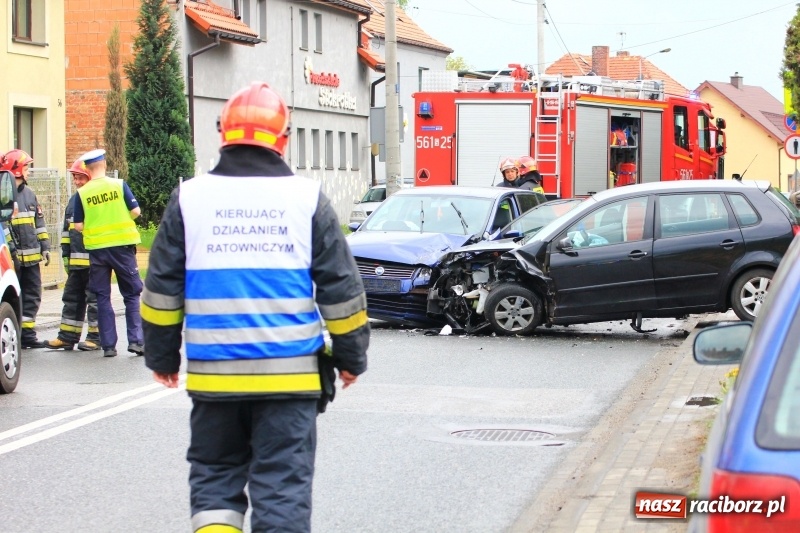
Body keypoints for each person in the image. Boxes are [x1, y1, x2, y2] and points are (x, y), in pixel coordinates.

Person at [141, 81, 369, 533]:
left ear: (222, 133)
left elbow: (162, 291)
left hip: (215, 379)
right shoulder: (307, 199)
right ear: (283, 138)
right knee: (281, 489)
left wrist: (162, 357)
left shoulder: (189, 198)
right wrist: (351, 358)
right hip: (290, 381)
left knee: (215, 480)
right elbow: (341, 292)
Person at [72, 149, 143, 358]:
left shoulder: (82, 193)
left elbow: (78, 225)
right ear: (104, 164)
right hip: (122, 248)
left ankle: (109, 346)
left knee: (102, 296)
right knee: (131, 295)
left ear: (87, 169)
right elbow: (136, 211)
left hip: (97, 250)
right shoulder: (118, 185)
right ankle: (136, 342)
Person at [43, 158, 101, 351]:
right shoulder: (74, 200)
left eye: (80, 177)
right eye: (75, 178)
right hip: (76, 264)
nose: (77, 182)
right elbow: (67, 232)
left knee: (95, 301)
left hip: (95, 262)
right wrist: (66, 255)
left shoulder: (96, 200)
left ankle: (96, 337)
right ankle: (67, 337)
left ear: (90, 177)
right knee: (71, 299)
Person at [0, 149, 50, 348]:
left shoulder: (30, 194)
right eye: (27, 167)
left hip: (32, 259)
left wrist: (45, 247)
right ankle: (16, 332)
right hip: (13, 259)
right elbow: (4, 226)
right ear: (17, 170)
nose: (29, 171)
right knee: (15, 296)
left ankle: (27, 335)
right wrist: (12, 252)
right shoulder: (4, 195)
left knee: (33, 295)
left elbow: (39, 223)